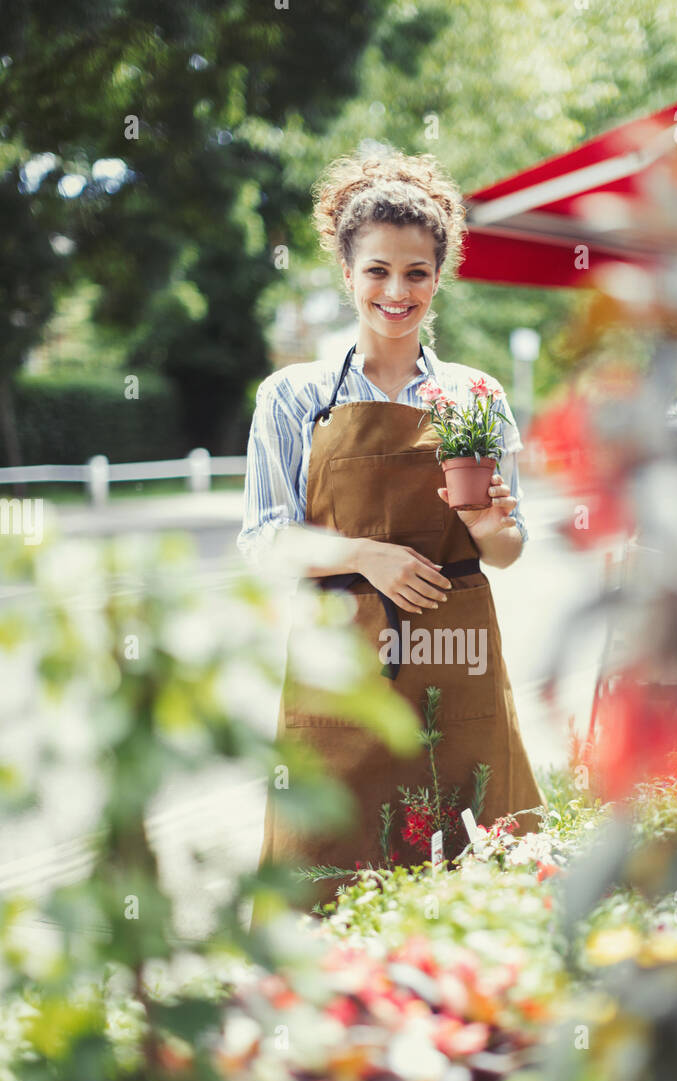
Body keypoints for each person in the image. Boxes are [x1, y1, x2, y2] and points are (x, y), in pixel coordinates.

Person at [238, 151, 541, 903]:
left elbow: (507, 550)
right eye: (377, 271)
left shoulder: (475, 394)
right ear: (347, 273)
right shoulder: (292, 396)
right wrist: (365, 556)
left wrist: (484, 519)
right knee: (325, 868)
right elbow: (262, 541)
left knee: (473, 869)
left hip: (457, 653)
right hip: (341, 666)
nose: (396, 291)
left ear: (439, 277)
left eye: (416, 272)